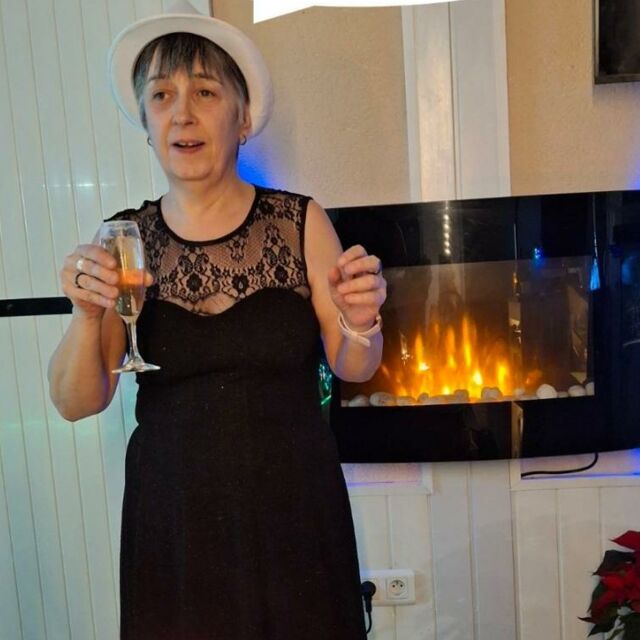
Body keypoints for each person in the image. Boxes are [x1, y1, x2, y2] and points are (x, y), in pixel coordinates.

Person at [48, 2, 386, 638]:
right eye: (162, 95)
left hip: (294, 511)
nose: (182, 113)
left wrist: (360, 321)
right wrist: (86, 314)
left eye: (205, 91)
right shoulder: (125, 238)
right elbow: (75, 401)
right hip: (174, 523)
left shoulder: (300, 221)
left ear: (243, 117)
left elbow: (355, 365)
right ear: (147, 124)